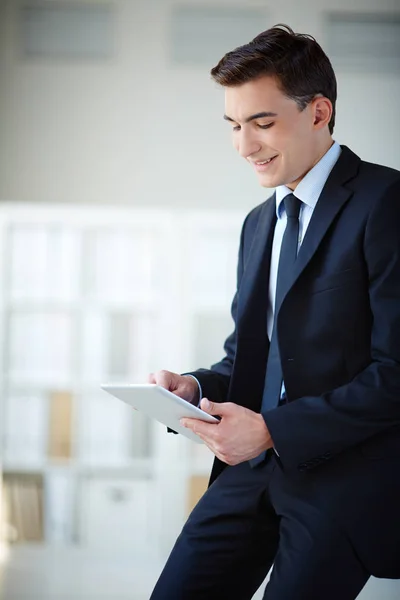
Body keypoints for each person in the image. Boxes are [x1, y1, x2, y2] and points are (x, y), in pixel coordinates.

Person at [148, 24, 400, 600]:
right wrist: (192, 386)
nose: (245, 145)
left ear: (318, 112)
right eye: (234, 126)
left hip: (341, 480)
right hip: (250, 472)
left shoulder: (386, 203)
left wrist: (271, 430)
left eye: (262, 123)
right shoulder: (259, 223)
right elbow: (250, 359)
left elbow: (395, 372)